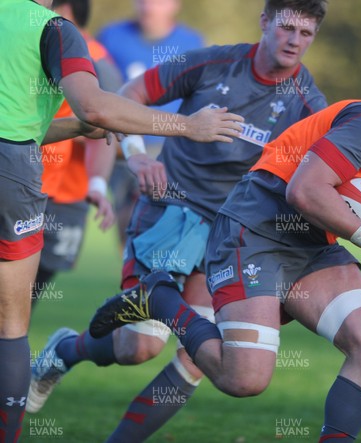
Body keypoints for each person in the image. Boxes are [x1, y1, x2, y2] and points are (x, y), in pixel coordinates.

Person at [89, 62, 361, 441]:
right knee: (243, 379)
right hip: (256, 230)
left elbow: (360, 195)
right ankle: (161, 298)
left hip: (311, 244)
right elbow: (305, 189)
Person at [29, 0, 328, 441]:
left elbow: (325, 172)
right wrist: (136, 156)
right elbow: (127, 96)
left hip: (230, 232)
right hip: (172, 207)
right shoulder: (213, 63)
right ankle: (65, 351)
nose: (294, 41)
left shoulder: (308, 103)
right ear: (264, 22)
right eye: (286, 28)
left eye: (306, 34)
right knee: (139, 347)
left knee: (199, 356)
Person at [0, 0, 241, 440]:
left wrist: (74, 129)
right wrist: (187, 127)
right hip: (16, 180)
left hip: (23, 164)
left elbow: (26, 122)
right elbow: (98, 107)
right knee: (12, 331)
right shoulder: (58, 30)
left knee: (183, 351)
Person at [32, 0, 121, 309]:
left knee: (27, 290)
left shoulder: (96, 63)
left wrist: (99, 181)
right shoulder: (35, 46)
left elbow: (112, 125)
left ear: (66, 14)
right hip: (29, 183)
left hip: (64, 196)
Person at [97, 0, 205, 249]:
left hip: (168, 146)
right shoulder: (111, 37)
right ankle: (132, 280)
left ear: (175, 5)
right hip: (122, 144)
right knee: (128, 220)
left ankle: (160, 280)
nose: (148, 6)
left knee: (165, 220)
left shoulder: (191, 42)